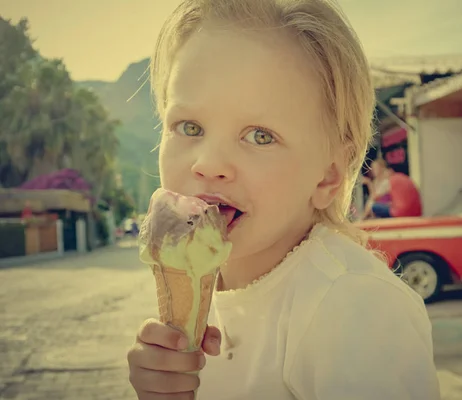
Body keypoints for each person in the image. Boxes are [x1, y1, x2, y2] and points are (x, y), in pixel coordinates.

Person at [127, 1, 440, 399]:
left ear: (328, 174)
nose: (208, 164)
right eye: (189, 126)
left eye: (260, 135)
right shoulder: (208, 288)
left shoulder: (355, 309)